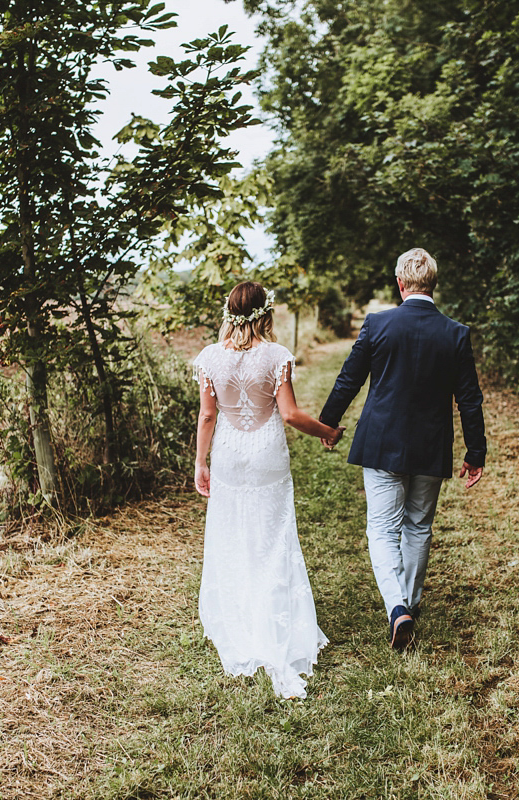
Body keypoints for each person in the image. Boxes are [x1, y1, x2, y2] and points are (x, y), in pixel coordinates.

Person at [319, 248, 486, 651]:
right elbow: (470, 399)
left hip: (381, 441)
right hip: (431, 445)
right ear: (433, 284)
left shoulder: (379, 324)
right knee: (418, 527)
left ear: (400, 283)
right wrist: (475, 452)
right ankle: (407, 603)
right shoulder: (455, 333)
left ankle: (398, 609)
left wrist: (328, 422)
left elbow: (349, 379)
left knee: (381, 527)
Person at [192, 281, 345, 698]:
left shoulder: (209, 358)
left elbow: (208, 416)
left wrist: (200, 462)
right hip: (266, 454)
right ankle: (275, 620)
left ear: (228, 312)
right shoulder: (276, 357)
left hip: (228, 453)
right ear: (265, 313)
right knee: (273, 535)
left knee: (233, 532)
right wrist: (327, 432)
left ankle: (241, 618)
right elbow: (291, 414)